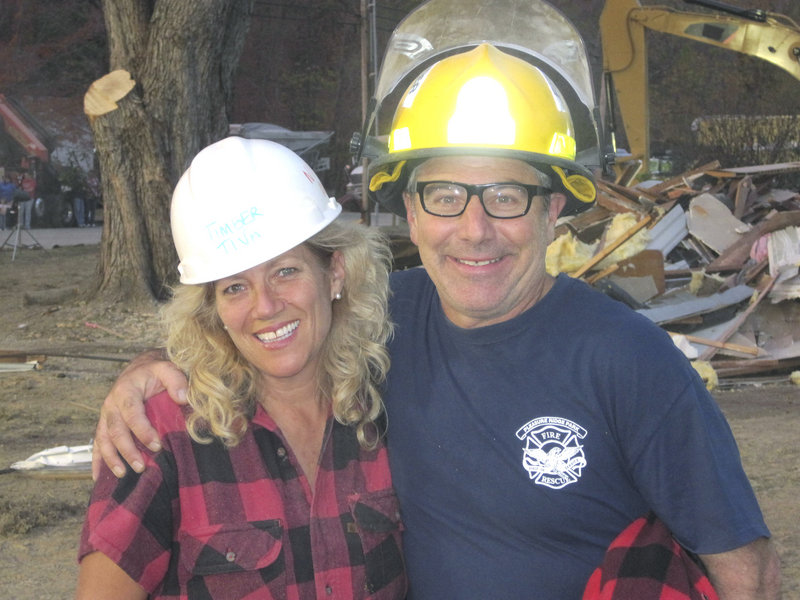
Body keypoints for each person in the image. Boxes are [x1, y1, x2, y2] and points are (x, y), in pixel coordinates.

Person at [92, 46, 781, 598]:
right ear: (411, 212)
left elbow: (744, 564)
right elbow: (262, 315)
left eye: (506, 196)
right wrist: (145, 371)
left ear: (553, 211)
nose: (473, 231)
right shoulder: (382, 321)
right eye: (445, 196)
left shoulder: (628, 359)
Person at [77, 137, 407, 599]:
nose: (265, 306)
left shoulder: (387, 407)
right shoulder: (164, 435)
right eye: (235, 287)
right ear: (211, 307)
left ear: (334, 273)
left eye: (286, 271)